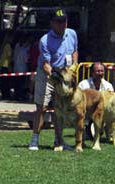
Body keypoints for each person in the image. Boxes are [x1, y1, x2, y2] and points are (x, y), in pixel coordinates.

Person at [28, 8, 78, 151]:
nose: (62, 25)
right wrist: (55, 76)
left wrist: (75, 66)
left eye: (64, 22)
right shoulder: (45, 40)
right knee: (41, 107)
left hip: (65, 75)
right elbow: (45, 64)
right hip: (48, 75)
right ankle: (34, 140)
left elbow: (75, 51)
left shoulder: (72, 34)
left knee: (60, 109)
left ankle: (59, 141)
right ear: (52, 23)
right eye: (58, 22)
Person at [77, 62, 114, 140]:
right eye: (98, 71)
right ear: (92, 72)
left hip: (103, 112)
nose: (100, 73)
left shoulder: (108, 86)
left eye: (102, 71)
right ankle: (86, 131)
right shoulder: (83, 85)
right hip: (86, 113)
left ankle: (110, 133)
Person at [13, 35, 31, 100]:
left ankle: (16, 95)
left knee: (16, 83)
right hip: (22, 69)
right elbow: (26, 60)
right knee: (21, 84)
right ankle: (20, 96)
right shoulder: (24, 50)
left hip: (16, 68)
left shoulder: (16, 47)